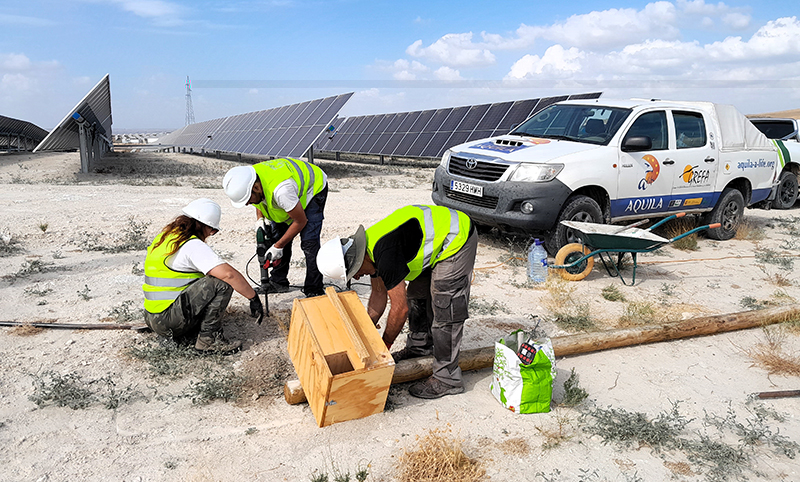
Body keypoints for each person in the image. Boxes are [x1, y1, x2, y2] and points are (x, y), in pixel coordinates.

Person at [316, 204, 478, 399]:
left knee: (445, 306)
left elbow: (400, 310)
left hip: (455, 239)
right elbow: (378, 295)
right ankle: (420, 348)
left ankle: (447, 378)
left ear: (359, 260)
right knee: (416, 296)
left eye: (356, 272)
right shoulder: (368, 251)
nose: (358, 277)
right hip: (430, 245)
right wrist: (365, 334)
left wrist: (384, 347)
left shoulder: (385, 254)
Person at [142, 198, 264, 354]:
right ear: (202, 225)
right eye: (213, 230)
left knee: (207, 281)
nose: (212, 234)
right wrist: (253, 297)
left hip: (152, 317)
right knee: (221, 284)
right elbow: (228, 275)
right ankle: (208, 342)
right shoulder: (191, 245)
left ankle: (185, 330)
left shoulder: (167, 237)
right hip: (167, 320)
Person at [222, 158, 328, 298]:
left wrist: (278, 246)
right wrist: (260, 220)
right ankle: (278, 282)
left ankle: (314, 288)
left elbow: (300, 221)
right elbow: (259, 203)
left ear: (257, 188)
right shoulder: (250, 178)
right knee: (278, 235)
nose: (248, 204)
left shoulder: (281, 191)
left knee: (309, 242)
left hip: (313, 188)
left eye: (248, 200)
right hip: (286, 195)